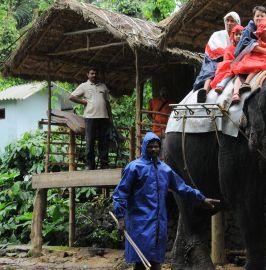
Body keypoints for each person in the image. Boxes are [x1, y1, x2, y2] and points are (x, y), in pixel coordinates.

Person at [113, 132, 219, 270]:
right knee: (140, 263)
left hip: (158, 224)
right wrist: (120, 218)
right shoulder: (134, 168)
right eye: (150, 146)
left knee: (156, 261)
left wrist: (201, 199)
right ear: (144, 147)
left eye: (156, 146)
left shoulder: (165, 169)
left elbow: (182, 187)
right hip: (139, 223)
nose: (153, 149)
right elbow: (120, 193)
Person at [69, 68, 112, 170]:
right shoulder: (84, 86)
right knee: (90, 142)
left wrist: (110, 117)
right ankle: (90, 166)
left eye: (96, 73)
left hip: (104, 118)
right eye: (92, 73)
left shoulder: (103, 86)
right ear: (87, 74)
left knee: (104, 142)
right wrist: (83, 102)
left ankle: (104, 165)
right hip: (90, 118)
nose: (94, 75)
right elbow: (72, 97)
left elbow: (107, 103)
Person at [193, 11, 241, 103]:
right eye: (227, 20)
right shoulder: (217, 35)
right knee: (213, 69)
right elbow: (213, 49)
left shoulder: (240, 35)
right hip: (216, 59)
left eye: (232, 21)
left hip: (234, 60)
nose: (229, 23)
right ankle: (205, 90)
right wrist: (228, 54)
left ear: (237, 23)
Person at [209, 25, 244, 98]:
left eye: (240, 35)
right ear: (233, 36)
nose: (238, 36)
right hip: (231, 65)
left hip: (241, 65)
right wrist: (234, 63)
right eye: (236, 34)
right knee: (229, 73)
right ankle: (221, 85)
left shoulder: (245, 46)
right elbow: (227, 58)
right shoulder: (230, 47)